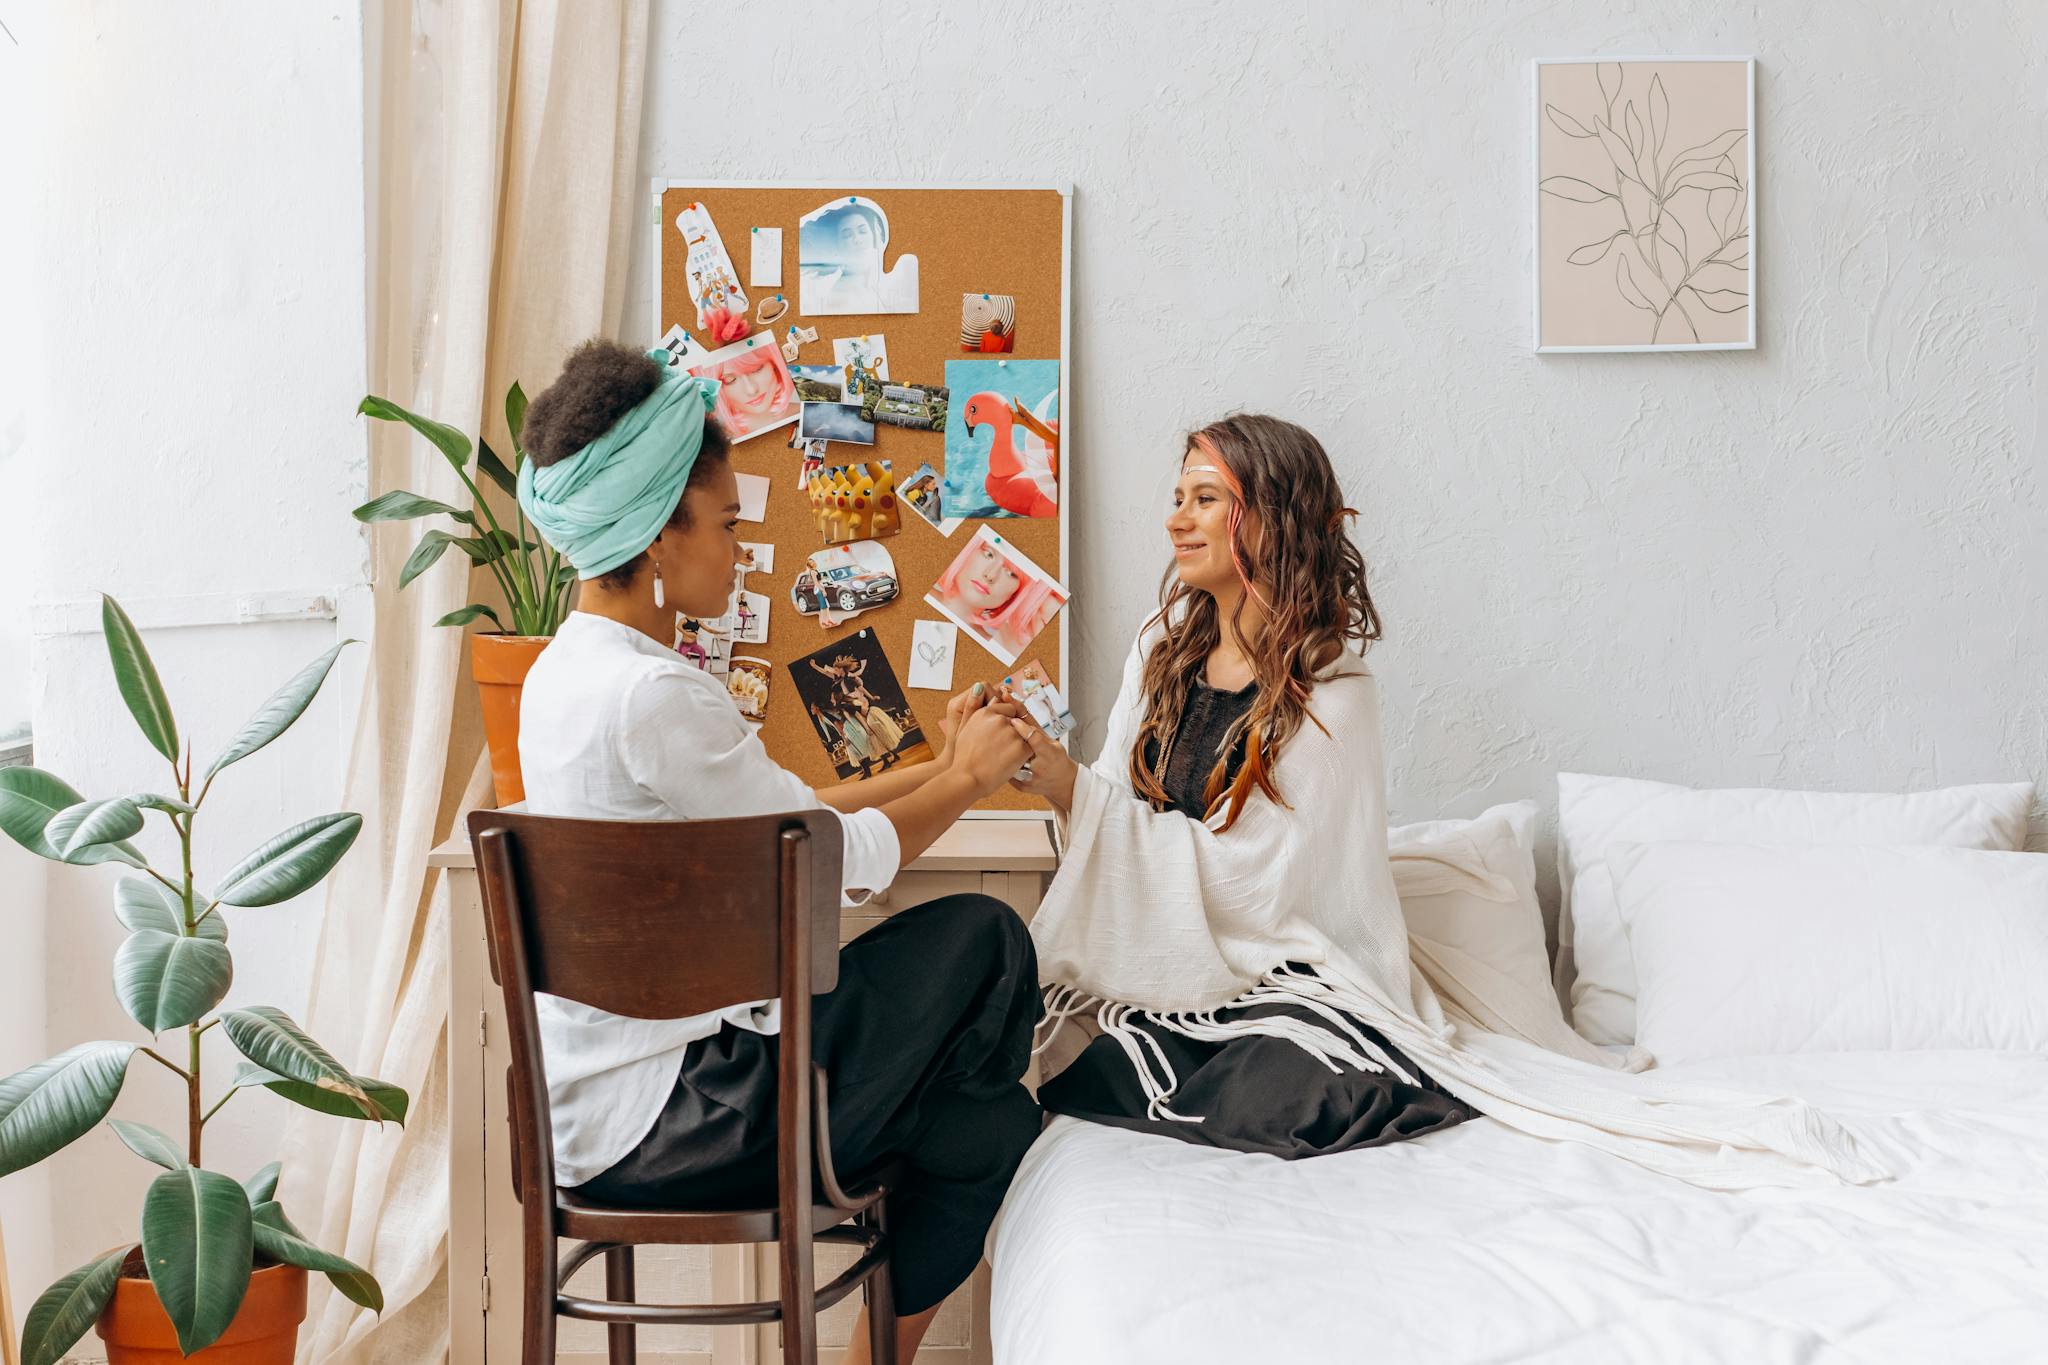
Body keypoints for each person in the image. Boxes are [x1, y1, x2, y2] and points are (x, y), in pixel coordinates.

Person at [1006, 413, 1892, 1190]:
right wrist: (1056, 777)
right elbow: (1116, 805)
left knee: (1303, 1089)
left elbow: (1264, 888)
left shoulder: (1333, 694)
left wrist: (1070, 788)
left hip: (1278, 974)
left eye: (1204, 497)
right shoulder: (1160, 650)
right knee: (1109, 1057)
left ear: (1268, 519)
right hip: (1167, 966)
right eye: (1177, 495)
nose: (1175, 518)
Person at [515, 339, 1041, 1364]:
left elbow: (792, 813)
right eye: (724, 526)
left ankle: (887, 1291)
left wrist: (935, 758)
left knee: (984, 1131)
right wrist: (971, 780)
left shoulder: (563, 677)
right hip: (691, 1118)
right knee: (985, 936)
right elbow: (833, 858)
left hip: (586, 1120)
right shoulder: (657, 693)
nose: (739, 550)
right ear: (658, 538)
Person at [929, 535, 1063, 663]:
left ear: (1016, 594)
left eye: (1011, 573)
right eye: (988, 554)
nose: (991, 575)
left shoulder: (999, 651)